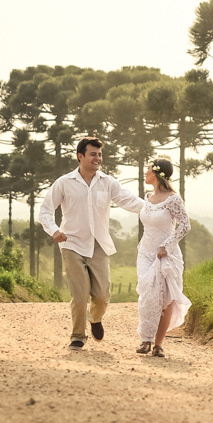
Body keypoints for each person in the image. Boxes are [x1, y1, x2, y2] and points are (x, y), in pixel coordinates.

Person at [39, 137, 144, 349]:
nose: (98, 158)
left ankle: (94, 318)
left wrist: (154, 208)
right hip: (71, 243)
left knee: (103, 296)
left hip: (98, 245)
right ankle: (77, 336)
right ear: (81, 157)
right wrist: (54, 230)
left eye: (99, 154)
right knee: (79, 294)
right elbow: (45, 210)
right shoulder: (64, 183)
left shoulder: (108, 182)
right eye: (93, 154)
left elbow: (129, 200)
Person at [135, 157, 191, 358]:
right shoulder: (147, 197)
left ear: (157, 174)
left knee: (165, 300)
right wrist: (142, 246)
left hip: (166, 255)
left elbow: (185, 225)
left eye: (148, 169)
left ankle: (158, 344)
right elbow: (148, 226)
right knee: (148, 296)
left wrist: (166, 246)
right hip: (145, 253)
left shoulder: (173, 199)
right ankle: (145, 340)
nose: (145, 173)